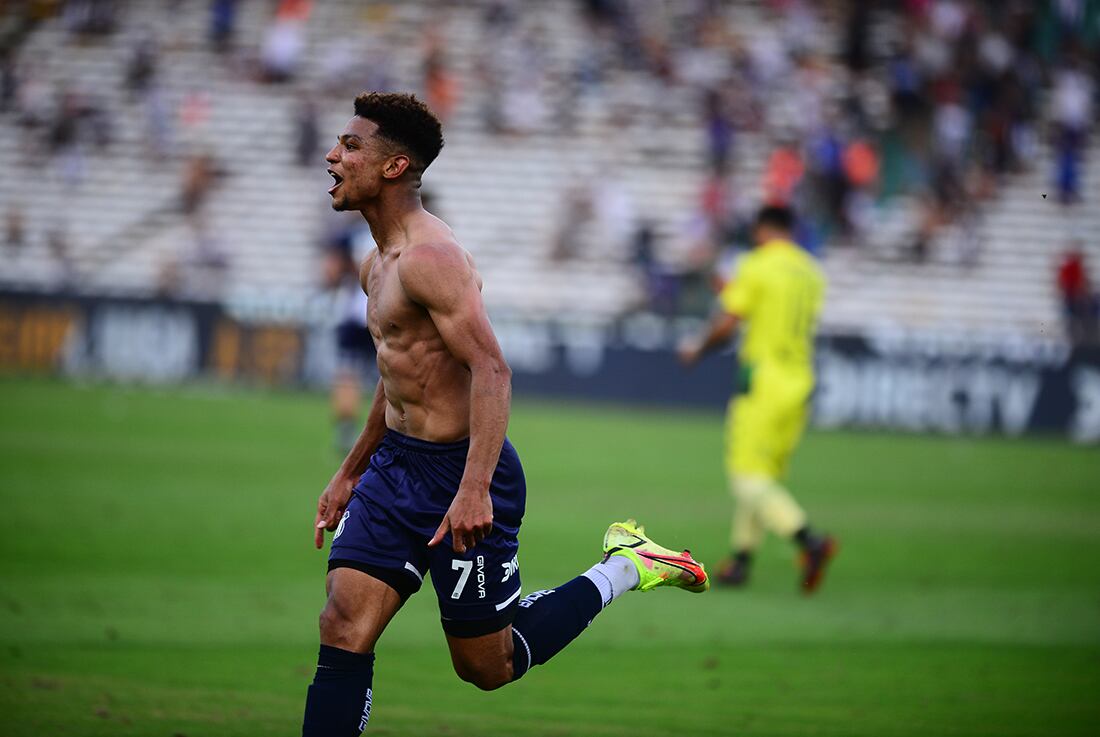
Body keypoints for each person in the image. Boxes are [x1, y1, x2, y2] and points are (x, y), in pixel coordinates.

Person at [303, 92, 709, 737]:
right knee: (342, 626)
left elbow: (492, 371)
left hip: (462, 475)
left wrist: (471, 489)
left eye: (351, 146)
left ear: (394, 167)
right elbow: (397, 377)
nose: (332, 156)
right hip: (393, 471)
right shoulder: (374, 263)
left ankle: (625, 566)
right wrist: (350, 470)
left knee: (486, 667)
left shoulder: (432, 261)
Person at [679, 205, 836, 592]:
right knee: (763, 477)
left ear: (764, 229)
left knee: (747, 477)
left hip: (764, 380)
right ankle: (741, 559)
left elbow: (731, 323)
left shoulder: (758, 264)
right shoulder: (811, 272)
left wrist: (697, 349)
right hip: (800, 380)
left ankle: (809, 542)